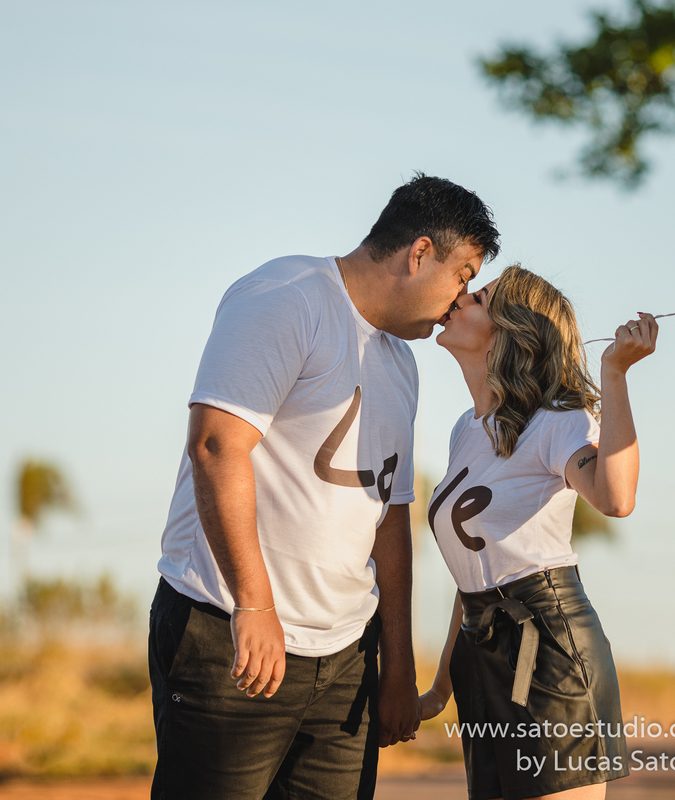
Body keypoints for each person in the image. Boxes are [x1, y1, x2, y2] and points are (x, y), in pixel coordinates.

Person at [149, 174, 500, 799]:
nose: (461, 298)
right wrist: (254, 605)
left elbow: (390, 516)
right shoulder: (287, 297)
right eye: (463, 274)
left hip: (345, 664)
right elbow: (215, 444)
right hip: (232, 633)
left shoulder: (402, 364)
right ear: (419, 253)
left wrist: (396, 663)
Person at [418, 265, 657, 800]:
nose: (458, 297)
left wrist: (614, 376)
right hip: (482, 655)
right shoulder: (465, 430)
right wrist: (441, 687)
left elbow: (615, 496)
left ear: (508, 331)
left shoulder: (557, 421)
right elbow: (474, 574)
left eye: (477, 296)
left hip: (547, 648)